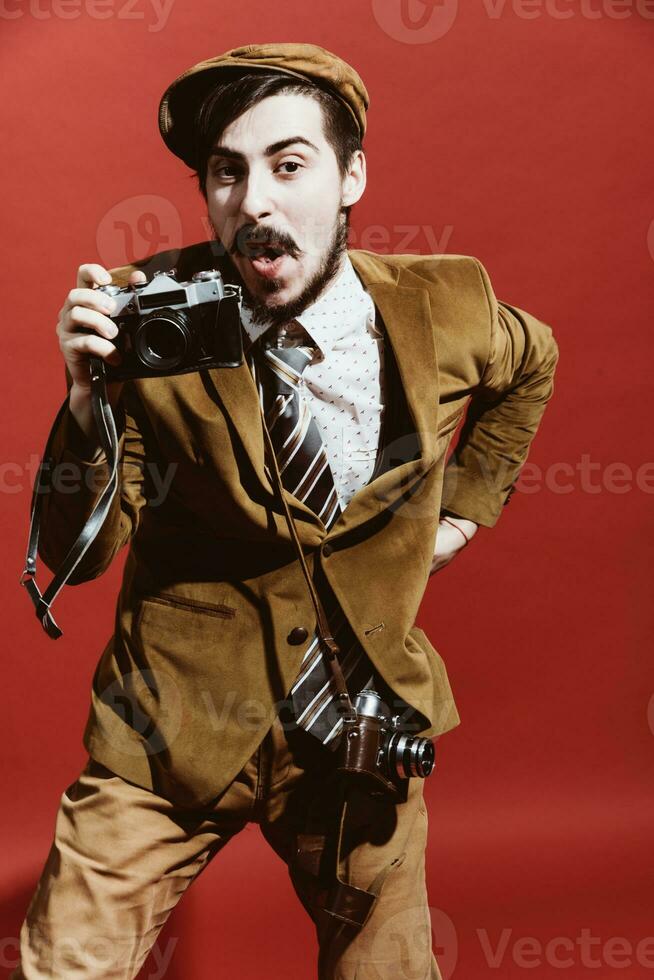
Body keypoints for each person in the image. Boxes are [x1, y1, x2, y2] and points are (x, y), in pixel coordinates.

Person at [13, 42, 559, 980]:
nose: (254, 202)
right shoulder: (149, 316)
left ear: (351, 177)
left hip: (353, 735)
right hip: (173, 728)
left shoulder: (449, 305)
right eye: (227, 172)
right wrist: (83, 406)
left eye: (289, 164)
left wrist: (464, 513)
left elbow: (534, 361)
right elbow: (86, 553)